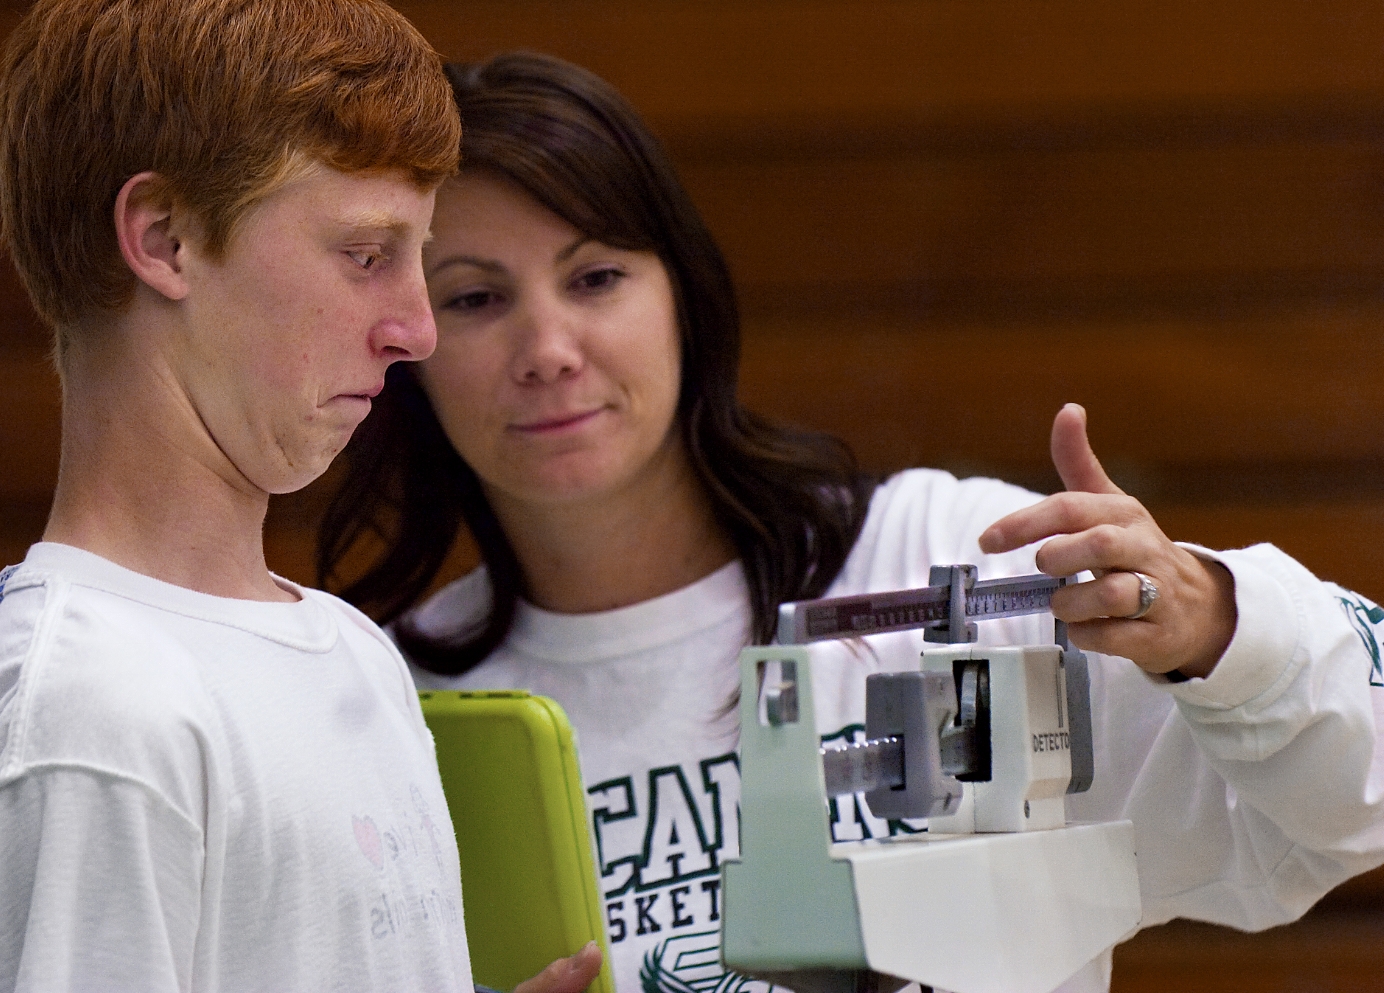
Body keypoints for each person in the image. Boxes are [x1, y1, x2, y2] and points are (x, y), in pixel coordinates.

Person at [317, 51, 1384, 993]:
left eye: (596, 277)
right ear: (403, 345)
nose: (548, 347)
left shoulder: (953, 558)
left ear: (684, 295)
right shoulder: (388, 713)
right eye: (474, 299)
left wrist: (1214, 624)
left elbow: (1348, 810)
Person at [0, 6, 606, 992]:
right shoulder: (96, 721)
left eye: (420, 257)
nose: (416, 328)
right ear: (167, 238)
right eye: (365, 254)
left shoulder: (351, 653)